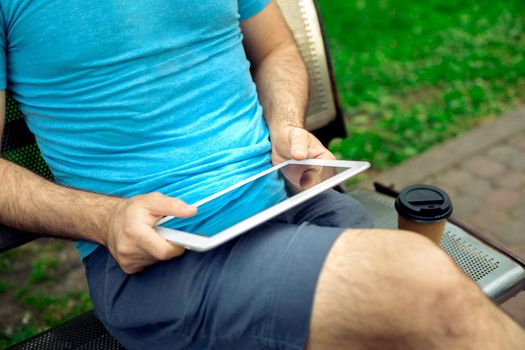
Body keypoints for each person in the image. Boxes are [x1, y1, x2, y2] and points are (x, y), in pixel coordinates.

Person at [0, 1, 523, 349]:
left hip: (289, 201)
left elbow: (276, 50)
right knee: (418, 279)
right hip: (164, 259)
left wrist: (287, 128)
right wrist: (105, 218)